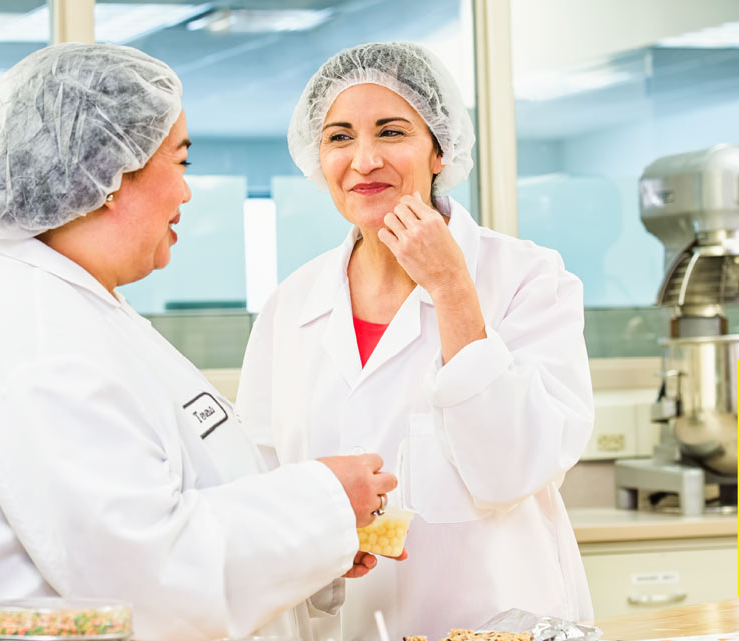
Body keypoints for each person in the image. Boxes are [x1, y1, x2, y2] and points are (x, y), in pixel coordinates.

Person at [0, 42, 396, 641]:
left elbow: (181, 504)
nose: (186, 193)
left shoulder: (77, 307)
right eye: (180, 161)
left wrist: (314, 542)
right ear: (111, 173)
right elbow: (148, 581)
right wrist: (323, 503)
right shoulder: (40, 340)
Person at [235, 42, 596, 641]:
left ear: (440, 149)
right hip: (339, 623)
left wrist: (452, 286)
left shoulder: (527, 279)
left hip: (494, 625)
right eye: (339, 137)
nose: (364, 159)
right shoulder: (291, 304)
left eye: (391, 131)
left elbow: (515, 466)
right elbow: (261, 480)